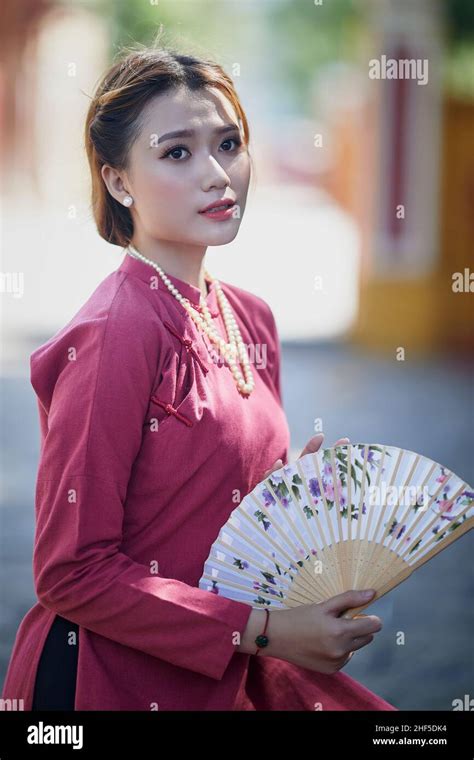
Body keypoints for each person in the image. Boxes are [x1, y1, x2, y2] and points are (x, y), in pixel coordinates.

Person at [1, 43, 396, 711]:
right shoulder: (113, 335)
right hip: (114, 680)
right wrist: (269, 633)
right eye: (177, 152)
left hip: (231, 673)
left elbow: (210, 519)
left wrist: (291, 508)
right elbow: (71, 572)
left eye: (229, 143)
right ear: (118, 181)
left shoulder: (251, 318)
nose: (218, 174)